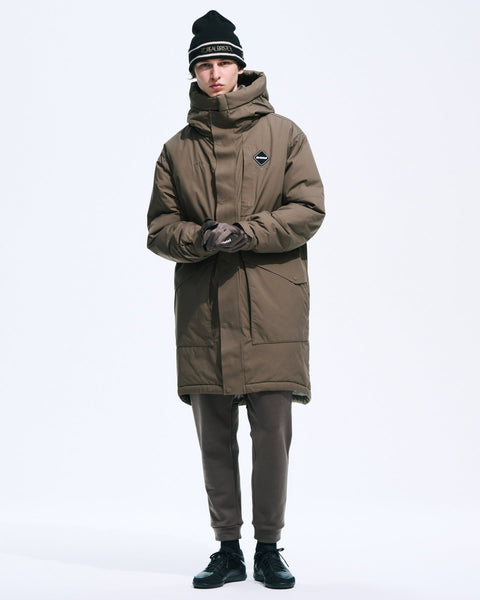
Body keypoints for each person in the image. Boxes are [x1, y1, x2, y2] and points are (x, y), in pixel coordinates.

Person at [146, 9, 325, 590]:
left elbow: (308, 209)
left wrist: (248, 233)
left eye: (224, 62)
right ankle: (227, 549)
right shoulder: (176, 150)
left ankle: (269, 548)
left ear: (240, 67)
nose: (215, 73)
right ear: (194, 74)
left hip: (270, 310)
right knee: (214, 438)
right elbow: (158, 228)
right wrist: (199, 239)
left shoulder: (283, 134)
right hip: (205, 312)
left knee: (272, 436)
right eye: (205, 65)